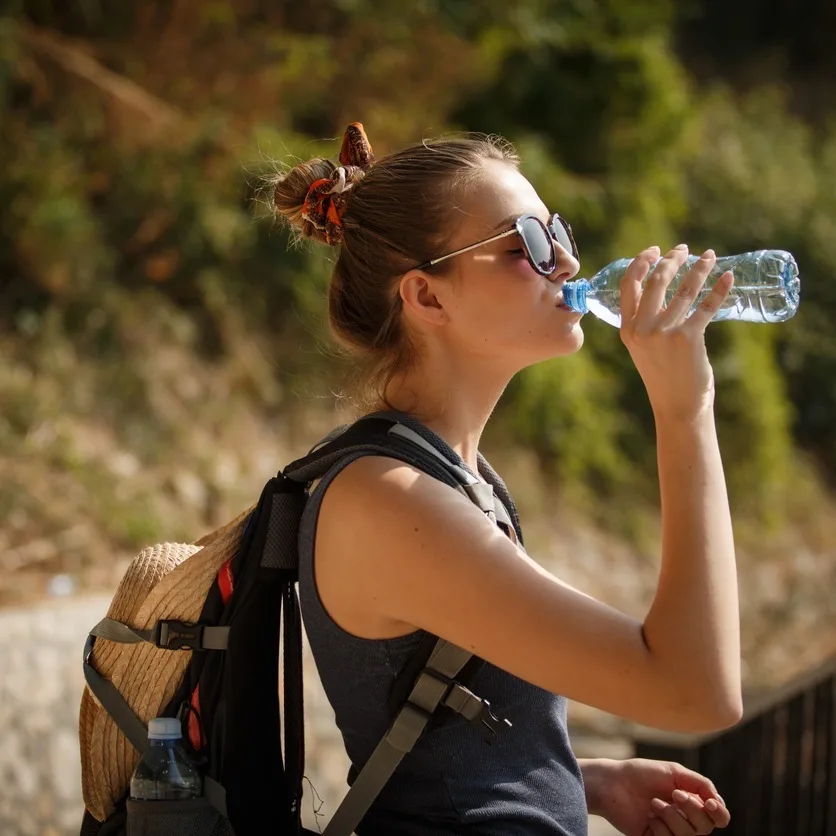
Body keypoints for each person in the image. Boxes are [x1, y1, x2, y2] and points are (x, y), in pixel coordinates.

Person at [269, 123, 743, 836]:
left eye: (560, 230)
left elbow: (431, 742)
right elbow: (696, 694)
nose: (569, 261)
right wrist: (686, 413)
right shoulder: (388, 503)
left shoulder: (452, 477)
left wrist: (578, 779)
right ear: (427, 298)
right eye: (529, 242)